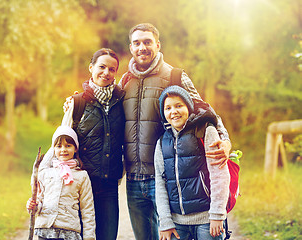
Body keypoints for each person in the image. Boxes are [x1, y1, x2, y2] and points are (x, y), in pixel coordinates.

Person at [118, 23, 232, 240]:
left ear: (157, 45)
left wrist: (225, 140)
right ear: (131, 48)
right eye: (137, 43)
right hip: (134, 179)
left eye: (147, 42)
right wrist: (75, 102)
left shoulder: (175, 76)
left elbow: (207, 111)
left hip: (166, 178)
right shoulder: (124, 82)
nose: (142, 47)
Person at [58, 48, 125, 240]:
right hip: (80, 185)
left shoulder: (122, 100)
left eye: (112, 69)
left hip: (109, 185)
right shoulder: (77, 103)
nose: (106, 73)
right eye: (102, 67)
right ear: (91, 67)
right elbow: (61, 143)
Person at [154, 86, 230, 240]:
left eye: (179, 106)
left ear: (188, 107)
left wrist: (217, 214)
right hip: (177, 224)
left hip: (207, 219)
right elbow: (160, 183)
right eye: (168, 108)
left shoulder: (205, 131)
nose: (173, 111)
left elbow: (219, 175)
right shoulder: (162, 142)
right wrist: (165, 221)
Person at [27, 125, 95, 240]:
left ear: (75, 148)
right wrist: (33, 206)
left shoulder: (82, 176)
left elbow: (88, 210)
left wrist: (89, 238)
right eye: (59, 146)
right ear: (53, 149)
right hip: (45, 230)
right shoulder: (46, 173)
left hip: (69, 232)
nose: (63, 149)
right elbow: (40, 200)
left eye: (68, 146)